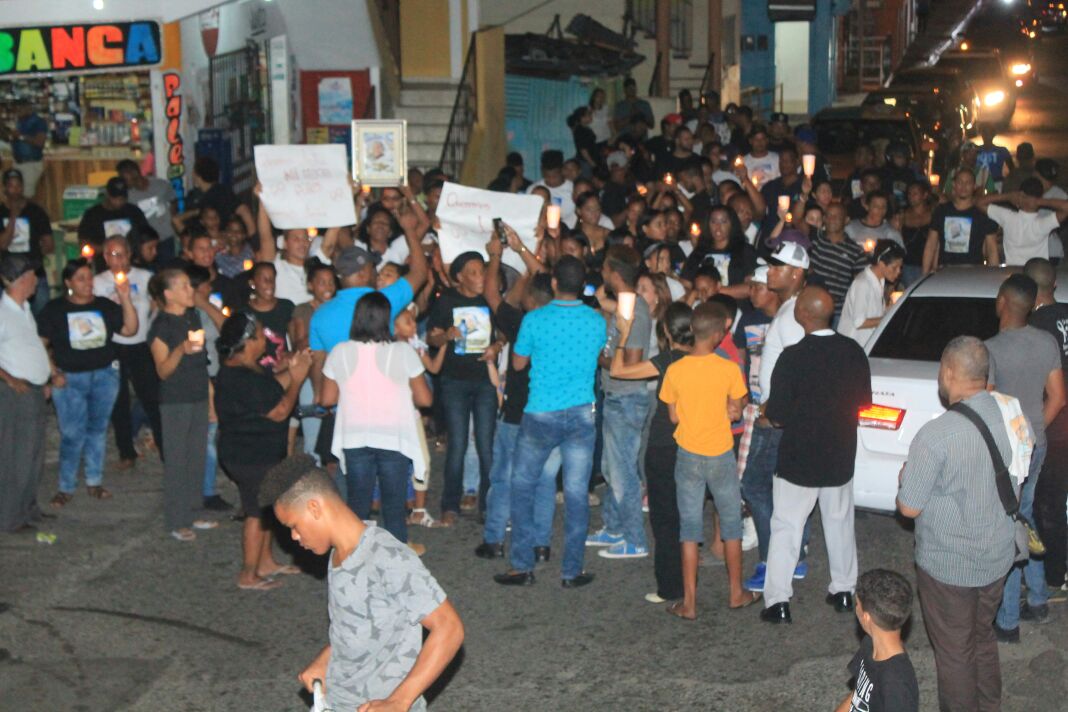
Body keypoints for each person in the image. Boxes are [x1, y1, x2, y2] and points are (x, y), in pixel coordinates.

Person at [261, 455, 464, 712]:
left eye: (294, 526)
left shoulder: (385, 555)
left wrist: (399, 700)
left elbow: (449, 627)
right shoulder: (339, 554)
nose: (294, 536)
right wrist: (327, 658)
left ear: (314, 508)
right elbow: (358, 625)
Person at [897, 336, 1026, 712]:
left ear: (950, 372)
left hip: (950, 564)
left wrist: (907, 478)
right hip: (997, 555)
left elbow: (908, 508)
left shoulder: (937, 434)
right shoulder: (1011, 415)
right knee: (982, 637)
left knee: (954, 653)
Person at [760, 286, 871, 624]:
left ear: (802, 314)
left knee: (787, 527)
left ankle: (778, 601)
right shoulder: (853, 351)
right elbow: (863, 401)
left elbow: (776, 414)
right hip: (839, 453)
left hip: (799, 459)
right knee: (839, 523)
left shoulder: (792, 357)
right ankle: (844, 590)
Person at [494, 256, 606, 587]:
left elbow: (517, 365)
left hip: (541, 411)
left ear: (554, 283)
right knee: (575, 492)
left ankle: (521, 565)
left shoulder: (534, 319)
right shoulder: (595, 320)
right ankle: (571, 571)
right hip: (581, 413)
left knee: (523, 485)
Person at [659, 302, 756, 619]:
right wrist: (732, 408)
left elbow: (673, 416)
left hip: (687, 455)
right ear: (717, 335)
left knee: (689, 529)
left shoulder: (675, 370)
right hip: (720, 455)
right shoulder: (728, 367)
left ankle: (688, 603)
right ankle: (736, 592)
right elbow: (737, 407)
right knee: (731, 525)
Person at [985, 274, 1065, 639]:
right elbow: (1058, 397)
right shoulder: (1047, 341)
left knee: (1010, 526)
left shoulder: (990, 349)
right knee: (1025, 516)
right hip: (1036, 443)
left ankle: (1007, 621)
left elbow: (986, 402)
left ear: (1002, 301)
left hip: (1007, 449)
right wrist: (1032, 433)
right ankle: (1036, 601)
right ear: (1033, 305)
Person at [321, 292, 432, 547]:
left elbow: (326, 399)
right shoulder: (402, 352)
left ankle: (354, 567)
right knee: (393, 510)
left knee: (357, 508)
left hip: (356, 438)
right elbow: (425, 399)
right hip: (393, 438)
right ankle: (396, 571)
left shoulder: (340, 351)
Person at [476, 229, 560, 560]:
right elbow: (545, 279)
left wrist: (497, 254)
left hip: (516, 415)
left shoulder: (523, 323)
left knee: (505, 477)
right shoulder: (567, 322)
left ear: (530, 300)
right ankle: (541, 544)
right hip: (551, 412)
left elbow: (491, 296)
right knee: (543, 481)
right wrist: (524, 250)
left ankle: (495, 539)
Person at [215, 313, 311, 590]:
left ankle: (265, 562)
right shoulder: (239, 377)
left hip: (259, 452)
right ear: (248, 342)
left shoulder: (247, 367)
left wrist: (290, 370)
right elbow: (280, 411)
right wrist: (297, 379)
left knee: (266, 509)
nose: (266, 339)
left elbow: (271, 387)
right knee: (256, 513)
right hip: (249, 455)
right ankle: (247, 574)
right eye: (260, 334)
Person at [611, 302, 694, 604]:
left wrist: (622, 334)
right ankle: (689, 584)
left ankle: (670, 588)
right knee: (689, 517)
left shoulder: (667, 360)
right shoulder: (706, 359)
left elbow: (619, 370)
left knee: (665, 520)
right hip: (695, 446)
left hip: (664, 446)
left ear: (666, 332)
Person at [38, 258, 137, 507]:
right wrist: (52, 372)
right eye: (81, 278)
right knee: (72, 434)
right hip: (70, 378)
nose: (88, 283)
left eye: (89, 277)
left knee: (98, 430)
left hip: (104, 375)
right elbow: (41, 344)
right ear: (68, 282)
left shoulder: (104, 306)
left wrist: (125, 297)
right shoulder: (55, 309)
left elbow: (130, 330)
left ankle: (94, 481)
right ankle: (65, 486)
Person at [742, 242, 812, 592]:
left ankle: (775, 560)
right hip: (784, 416)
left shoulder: (794, 316)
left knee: (754, 485)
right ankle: (794, 556)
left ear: (795, 273)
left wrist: (774, 414)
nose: (770, 271)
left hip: (778, 419)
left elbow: (802, 370)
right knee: (786, 490)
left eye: (777, 266)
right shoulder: (790, 311)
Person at [587, 246, 652, 560]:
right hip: (616, 396)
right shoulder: (625, 306)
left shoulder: (636, 312)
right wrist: (603, 304)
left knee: (622, 471)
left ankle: (635, 538)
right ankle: (614, 527)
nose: (601, 274)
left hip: (627, 399)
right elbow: (615, 314)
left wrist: (602, 358)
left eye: (605, 270)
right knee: (610, 467)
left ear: (614, 273)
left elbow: (632, 361)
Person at [426, 252, 498, 525]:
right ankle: (450, 504)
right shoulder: (448, 301)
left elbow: (503, 332)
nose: (481, 277)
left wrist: (497, 346)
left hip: (484, 381)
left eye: (483, 270)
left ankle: (490, 505)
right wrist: (446, 335)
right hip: (454, 381)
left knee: (485, 444)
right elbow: (431, 335)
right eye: (474, 272)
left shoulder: (490, 299)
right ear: (460, 277)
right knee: (457, 443)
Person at [147, 267, 217, 541]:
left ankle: (194, 511)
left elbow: (203, 365)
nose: (192, 291)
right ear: (168, 294)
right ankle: (177, 520)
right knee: (177, 461)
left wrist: (210, 401)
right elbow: (162, 371)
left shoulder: (192, 317)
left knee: (196, 457)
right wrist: (180, 350)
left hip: (198, 394)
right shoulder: (161, 327)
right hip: (175, 401)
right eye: (185, 286)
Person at [92, 234, 161, 470]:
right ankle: (126, 451)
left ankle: (164, 446)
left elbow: (155, 305)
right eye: (111, 254)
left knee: (151, 396)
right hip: (114, 345)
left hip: (141, 345)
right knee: (118, 399)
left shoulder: (144, 277)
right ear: (104, 257)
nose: (117, 260)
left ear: (130, 254)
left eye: (120, 254)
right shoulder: (99, 282)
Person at [1024, 258, 1068, 592]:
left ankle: (1056, 574)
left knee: (1047, 503)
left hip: (1055, 426)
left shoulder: (1034, 328)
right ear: (1053, 285)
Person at [0, 254, 52, 533]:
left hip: (32, 390)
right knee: (16, 455)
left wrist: (43, 377)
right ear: (22, 279)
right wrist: (9, 379)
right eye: (33, 275)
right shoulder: (3, 312)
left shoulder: (24, 309)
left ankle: (28, 509)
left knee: (34, 454)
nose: (37, 281)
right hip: (15, 394)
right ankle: (10, 516)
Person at [833, 568, 919, 712]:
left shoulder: (897, 685)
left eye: (857, 605)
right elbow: (859, 694)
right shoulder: (870, 644)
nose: (856, 609)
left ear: (866, 618)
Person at [254, 183, 342, 305]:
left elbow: (332, 237)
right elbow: (265, 237)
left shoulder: (316, 265)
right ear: (285, 243)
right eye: (296, 239)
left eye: (305, 238)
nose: (303, 243)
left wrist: (345, 196)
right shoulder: (277, 266)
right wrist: (262, 201)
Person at [289, 261, 337, 463]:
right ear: (310, 286)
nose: (327, 287)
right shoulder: (303, 310)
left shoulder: (339, 307)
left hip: (337, 375)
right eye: (321, 282)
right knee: (313, 434)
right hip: (311, 376)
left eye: (331, 282)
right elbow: (301, 343)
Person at [922, 169, 999, 274]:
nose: (964, 186)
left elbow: (992, 249)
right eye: (960, 182)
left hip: (973, 272)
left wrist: (993, 277)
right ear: (954, 184)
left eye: (968, 183)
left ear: (974, 186)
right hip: (945, 271)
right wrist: (925, 273)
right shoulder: (941, 211)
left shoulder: (983, 214)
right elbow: (931, 244)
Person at [976, 180, 1068, 265]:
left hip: (1012, 274)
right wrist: (1039, 201)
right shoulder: (1043, 223)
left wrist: (1008, 196)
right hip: (1036, 273)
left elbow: (979, 202)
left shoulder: (1008, 217)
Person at [0, 168, 53, 311]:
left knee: (41, 316)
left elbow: (49, 244)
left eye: (18, 186)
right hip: (7, 277)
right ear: (4, 188)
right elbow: (3, 244)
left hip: (35, 274)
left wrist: (35, 256)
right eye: (11, 186)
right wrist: (13, 216)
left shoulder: (36, 211)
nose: (15, 190)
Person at [838, 241, 905, 347]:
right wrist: (889, 317)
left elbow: (874, 313)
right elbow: (859, 322)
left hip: (866, 344)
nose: (898, 272)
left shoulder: (880, 281)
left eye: (900, 268)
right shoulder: (863, 283)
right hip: (853, 346)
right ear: (881, 264)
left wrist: (890, 308)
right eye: (894, 268)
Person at [809, 202, 868, 319]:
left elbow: (861, 284)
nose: (832, 219)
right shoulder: (815, 239)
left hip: (837, 312)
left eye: (837, 216)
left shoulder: (856, 250)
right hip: (811, 306)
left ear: (846, 220)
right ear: (824, 218)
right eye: (829, 215)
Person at [116, 159, 179, 260]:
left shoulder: (161, 184)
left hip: (166, 237)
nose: (123, 181)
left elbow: (173, 200)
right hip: (145, 242)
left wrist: (172, 219)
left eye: (124, 177)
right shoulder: (128, 195)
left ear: (134, 173)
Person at [77, 177, 151, 255]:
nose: (119, 201)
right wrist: (108, 249)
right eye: (116, 198)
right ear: (108, 195)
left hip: (132, 260)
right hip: (102, 262)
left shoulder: (134, 211)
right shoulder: (92, 214)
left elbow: (146, 236)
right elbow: (84, 243)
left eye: (122, 198)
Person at [189, 156, 255, 237]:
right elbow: (245, 211)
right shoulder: (222, 191)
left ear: (197, 175)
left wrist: (253, 240)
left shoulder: (215, 195)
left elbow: (244, 211)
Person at [526, 150, 576, 226]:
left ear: (562, 171)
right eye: (547, 177)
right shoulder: (533, 190)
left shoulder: (573, 189)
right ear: (542, 171)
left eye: (555, 177)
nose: (551, 180)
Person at [10, 105, 47, 197]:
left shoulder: (38, 122)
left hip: (30, 164)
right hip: (18, 162)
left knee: (27, 196)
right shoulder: (20, 121)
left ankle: (28, 212)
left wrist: (20, 136)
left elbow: (40, 142)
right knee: (16, 195)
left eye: (20, 109)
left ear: (28, 109)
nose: (17, 111)